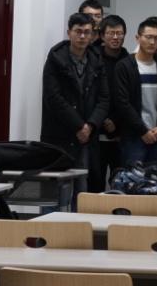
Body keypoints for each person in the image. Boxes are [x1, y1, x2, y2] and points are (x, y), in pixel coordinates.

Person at [41, 13, 109, 191]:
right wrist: (79, 126)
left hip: (87, 135)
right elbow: (53, 97)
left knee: (83, 186)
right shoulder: (55, 58)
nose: (82, 36)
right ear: (69, 32)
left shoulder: (97, 59)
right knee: (57, 189)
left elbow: (104, 98)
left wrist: (90, 125)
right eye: (78, 31)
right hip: (61, 132)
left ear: (92, 35)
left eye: (87, 32)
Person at [113, 17, 157, 166]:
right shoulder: (124, 66)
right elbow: (122, 103)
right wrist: (143, 131)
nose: (152, 42)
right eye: (148, 37)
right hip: (133, 137)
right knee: (133, 178)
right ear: (138, 38)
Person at [93, 15, 129, 190]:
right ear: (102, 35)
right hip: (95, 133)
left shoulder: (130, 62)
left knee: (121, 185)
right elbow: (90, 94)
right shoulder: (92, 59)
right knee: (95, 183)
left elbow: (130, 97)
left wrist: (115, 120)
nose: (115, 37)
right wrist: (102, 118)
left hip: (122, 133)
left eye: (119, 33)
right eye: (111, 33)